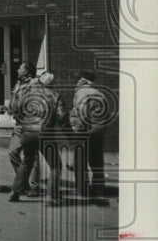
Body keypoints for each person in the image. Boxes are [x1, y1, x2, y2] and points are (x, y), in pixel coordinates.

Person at [9, 72, 66, 204]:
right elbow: (62, 116)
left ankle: (15, 192)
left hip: (27, 133)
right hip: (45, 134)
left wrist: (22, 124)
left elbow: (16, 109)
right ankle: (52, 196)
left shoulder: (29, 94)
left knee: (26, 162)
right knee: (55, 165)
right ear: (52, 84)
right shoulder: (55, 95)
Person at [70, 70, 109, 199]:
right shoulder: (100, 94)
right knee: (97, 161)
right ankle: (99, 189)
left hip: (84, 130)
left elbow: (81, 112)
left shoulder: (80, 93)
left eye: (78, 79)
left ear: (83, 80)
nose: (76, 81)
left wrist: (77, 131)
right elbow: (106, 115)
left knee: (80, 161)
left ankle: (82, 190)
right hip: (98, 130)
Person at [5, 62, 41, 196]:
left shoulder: (35, 84)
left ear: (27, 71)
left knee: (33, 156)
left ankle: (35, 186)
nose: (17, 70)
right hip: (19, 123)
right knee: (13, 153)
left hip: (31, 124)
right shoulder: (18, 84)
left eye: (20, 68)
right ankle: (23, 184)